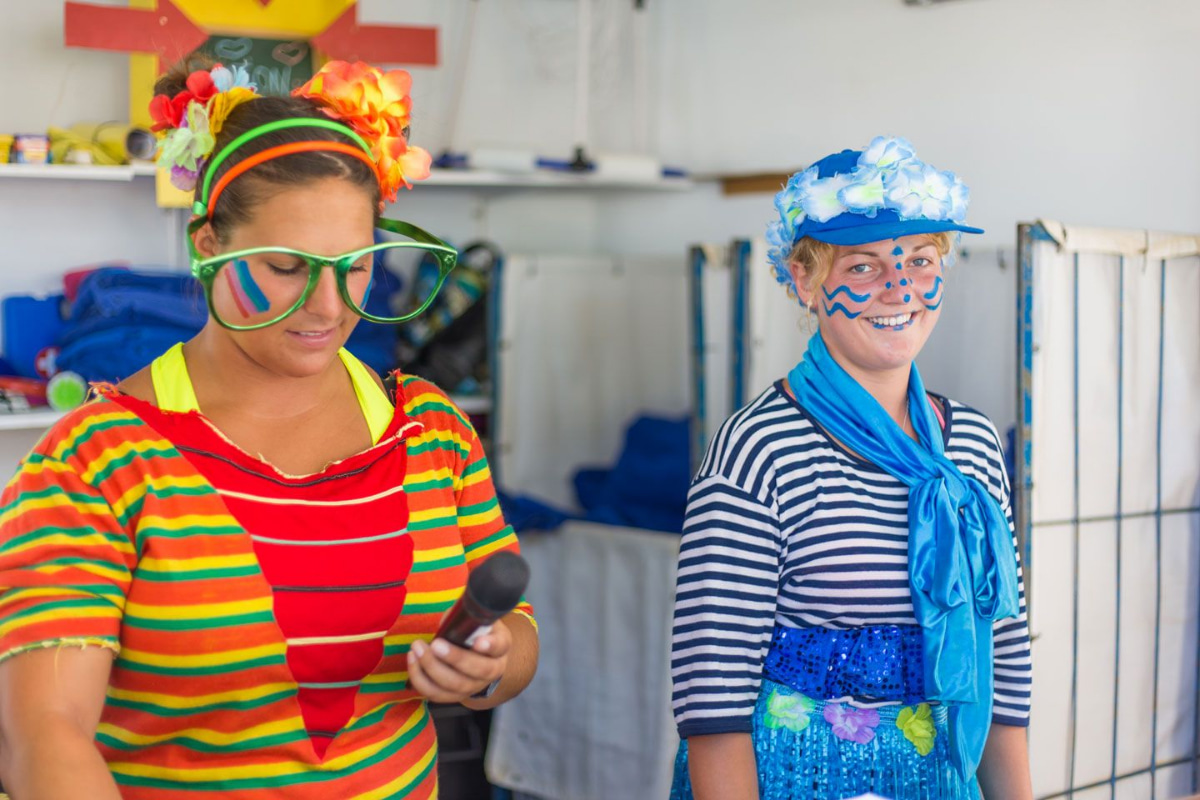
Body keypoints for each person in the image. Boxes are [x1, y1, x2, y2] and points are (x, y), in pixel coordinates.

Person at [0, 59, 537, 799]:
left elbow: (520, 636)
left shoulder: (430, 431)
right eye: (286, 266)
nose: (327, 307)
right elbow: (43, 736)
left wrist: (491, 665)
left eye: (355, 267)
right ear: (209, 244)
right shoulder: (99, 462)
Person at [669, 137, 1033, 800]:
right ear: (806, 282)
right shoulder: (758, 450)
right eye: (862, 267)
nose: (899, 287)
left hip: (941, 777)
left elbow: (1003, 668)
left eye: (920, 260)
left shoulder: (974, 446)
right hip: (795, 779)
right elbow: (711, 703)